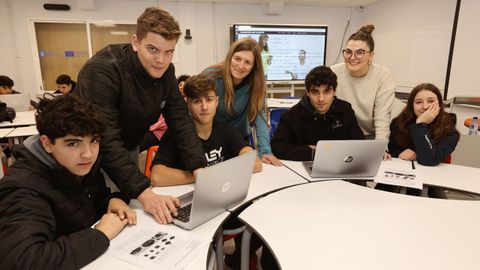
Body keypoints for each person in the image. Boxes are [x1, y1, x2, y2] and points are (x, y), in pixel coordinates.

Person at [74, 7, 206, 224]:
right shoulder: (102, 71)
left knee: (128, 208)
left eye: (169, 52)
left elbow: (180, 120)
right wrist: (146, 194)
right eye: (152, 49)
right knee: (98, 212)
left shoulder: (167, 72)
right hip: (89, 151)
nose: (161, 61)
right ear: (135, 42)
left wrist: (199, 168)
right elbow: (106, 138)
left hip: (129, 145)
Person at [0, 95, 136, 269]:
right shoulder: (23, 188)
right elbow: (23, 262)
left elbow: (89, 200)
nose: (88, 154)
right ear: (47, 143)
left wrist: (112, 200)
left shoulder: (76, 164)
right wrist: (100, 234)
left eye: (94, 140)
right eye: (73, 143)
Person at [150, 75, 262, 186]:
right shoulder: (175, 134)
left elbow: (256, 163)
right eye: (197, 101)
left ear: (216, 102)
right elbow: (156, 176)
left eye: (209, 100)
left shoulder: (227, 130)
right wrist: (204, 177)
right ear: (187, 104)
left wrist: (213, 175)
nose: (204, 107)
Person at [202, 37, 282, 166]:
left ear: (254, 66)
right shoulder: (210, 75)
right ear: (230, 57)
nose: (240, 66)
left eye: (247, 62)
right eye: (237, 59)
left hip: (238, 141)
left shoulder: (256, 84)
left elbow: (260, 119)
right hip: (210, 142)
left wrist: (266, 151)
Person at [271, 66, 364, 161]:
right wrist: (311, 152)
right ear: (307, 92)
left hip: (341, 164)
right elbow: (277, 147)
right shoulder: (291, 116)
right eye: (315, 92)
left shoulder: (345, 110)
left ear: (334, 92)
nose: (321, 99)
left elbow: (360, 144)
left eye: (327, 92)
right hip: (303, 168)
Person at [331, 24, 396, 140]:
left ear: (371, 55)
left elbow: (382, 118)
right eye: (348, 52)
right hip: (340, 135)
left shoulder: (383, 76)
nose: (352, 57)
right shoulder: (334, 72)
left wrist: (381, 148)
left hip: (370, 137)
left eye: (360, 52)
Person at [387, 83, 459, 166]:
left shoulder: (449, 129)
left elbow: (429, 159)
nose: (425, 106)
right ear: (412, 106)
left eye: (431, 101)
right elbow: (391, 151)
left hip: (435, 175)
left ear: (439, 104)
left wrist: (420, 124)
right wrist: (399, 154)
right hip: (405, 172)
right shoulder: (398, 123)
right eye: (418, 102)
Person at [138, 74, 190, 153]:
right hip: (153, 129)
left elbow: (164, 123)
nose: (181, 87)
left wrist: (150, 126)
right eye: (180, 84)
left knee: (135, 145)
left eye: (184, 85)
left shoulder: (186, 103)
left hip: (159, 134)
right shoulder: (168, 98)